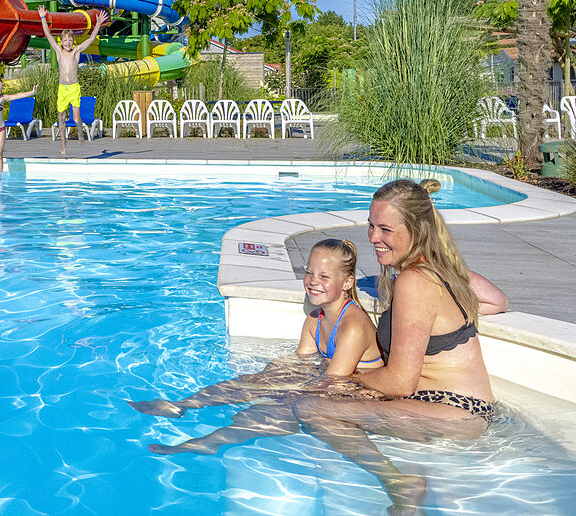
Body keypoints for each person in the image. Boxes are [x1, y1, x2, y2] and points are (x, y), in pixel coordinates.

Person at [151, 179, 496, 513]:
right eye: (371, 225)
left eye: (385, 230)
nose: (374, 237)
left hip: (454, 411)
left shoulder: (415, 281)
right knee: (294, 398)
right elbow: (498, 300)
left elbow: (400, 383)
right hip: (449, 403)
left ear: (417, 230)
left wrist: (351, 378)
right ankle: (212, 438)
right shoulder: (440, 269)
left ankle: (398, 482)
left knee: (312, 406)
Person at [131, 239, 384, 451]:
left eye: (324, 276)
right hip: (332, 384)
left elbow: (333, 383)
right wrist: (265, 377)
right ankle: (182, 405)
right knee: (251, 380)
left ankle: (207, 443)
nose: (312, 281)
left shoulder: (352, 327)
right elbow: (301, 362)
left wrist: (285, 391)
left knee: (269, 413)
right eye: (309, 272)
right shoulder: (315, 318)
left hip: (358, 395)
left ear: (348, 283)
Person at [36, 7, 106, 157]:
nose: (68, 42)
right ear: (61, 41)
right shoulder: (58, 51)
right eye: (65, 40)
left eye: (70, 40)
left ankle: (80, 134)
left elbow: (91, 38)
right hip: (62, 89)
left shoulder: (76, 51)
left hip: (74, 88)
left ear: (73, 41)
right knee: (61, 117)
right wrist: (43, 18)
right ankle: (63, 143)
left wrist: (98, 23)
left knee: (76, 118)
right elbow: (48, 35)